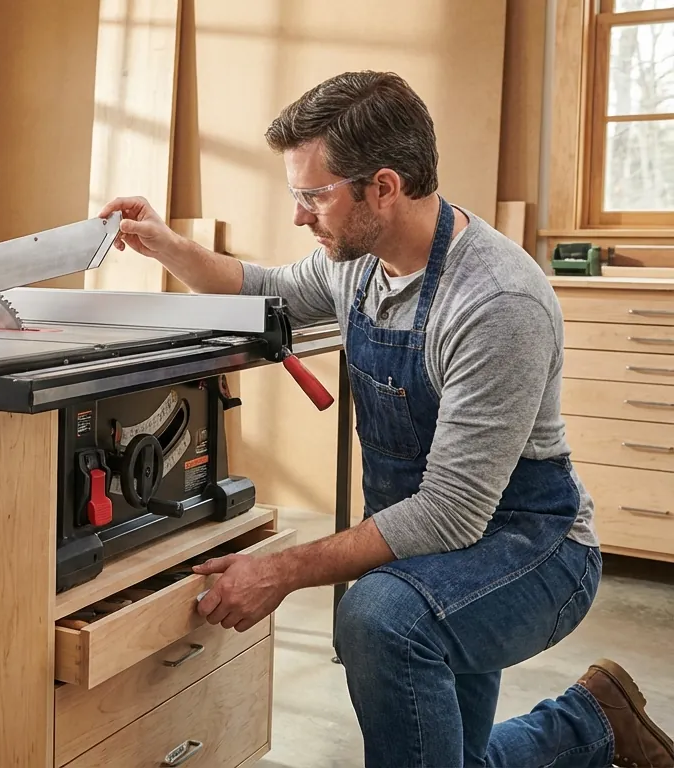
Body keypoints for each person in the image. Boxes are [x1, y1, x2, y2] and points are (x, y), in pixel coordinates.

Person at [100, 70, 674, 768]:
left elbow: (451, 516)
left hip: (533, 549)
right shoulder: (360, 265)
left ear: (384, 187)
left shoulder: (495, 302)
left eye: (314, 195)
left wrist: (280, 571)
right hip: (432, 553)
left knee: (379, 620)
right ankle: (592, 724)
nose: (300, 216)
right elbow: (265, 288)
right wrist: (165, 244)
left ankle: (586, 724)